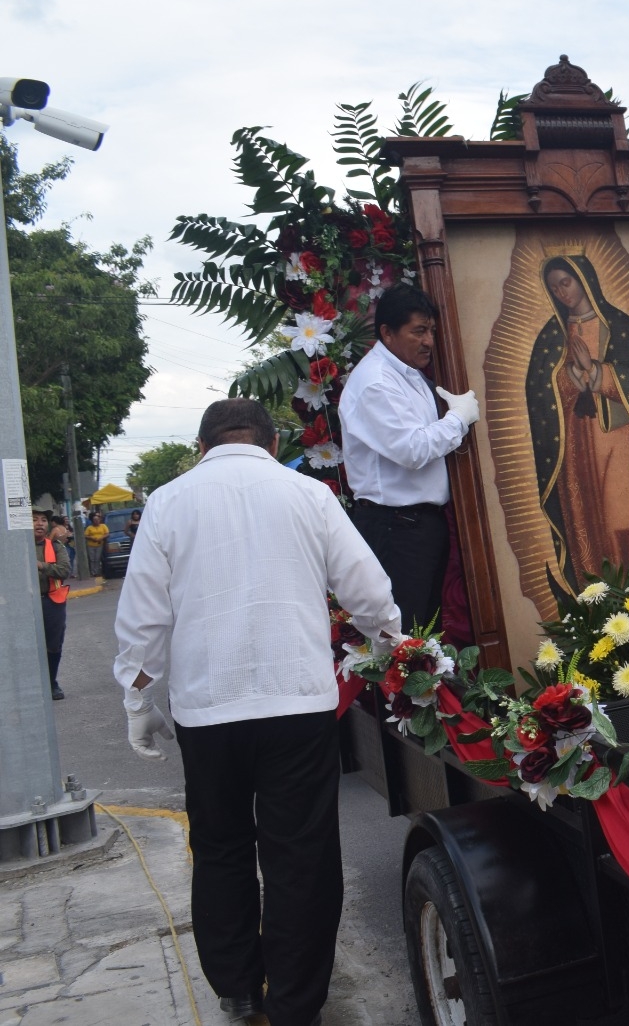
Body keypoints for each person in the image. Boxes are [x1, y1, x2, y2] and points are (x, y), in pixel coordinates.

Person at [112, 398, 402, 1026]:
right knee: (302, 854)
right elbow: (368, 590)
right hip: (295, 702)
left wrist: (138, 698)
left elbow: (143, 619)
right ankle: (297, 1004)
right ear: (273, 445)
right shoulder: (309, 495)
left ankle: (239, 988)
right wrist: (389, 643)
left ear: (200, 447)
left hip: (206, 707)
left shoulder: (167, 502)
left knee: (219, 846)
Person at [525, 252, 629, 592]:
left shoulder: (619, 326)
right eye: (554, 287)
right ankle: (603, 604)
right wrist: (570, 377)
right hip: (574, 449)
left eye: (566, 282)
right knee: (589, 523)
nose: (562, 292)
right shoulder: (551, 336)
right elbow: (539, 392)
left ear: (584, 280)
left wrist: (598, 372)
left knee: (626, 518)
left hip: (618, 441)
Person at [340, 284, 479, 633]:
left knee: (425, 634)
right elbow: (411, 450)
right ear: (387, 332)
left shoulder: (410, 373)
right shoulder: (376, 382)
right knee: (405, 640)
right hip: (395, 527)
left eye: (431, 330)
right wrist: (458, 419)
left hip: (419, 525)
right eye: (418, 331)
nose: (429, 341)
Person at [33, 508, 69, 700]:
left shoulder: (55, 546)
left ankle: (51, 682)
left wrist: (41, 565)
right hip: (26, 603)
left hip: (51, 601)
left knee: (53, 644)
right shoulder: (15, 546)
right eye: (35, 520)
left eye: (43, 520)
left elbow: (64, 570)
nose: (40, 523)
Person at [85, 510, 108, 578]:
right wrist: (92, 537)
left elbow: (107, 533)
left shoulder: (103, 526)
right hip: (91, 545)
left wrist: (101, 538)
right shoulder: (89, 528)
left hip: (100, 545)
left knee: (97, 559)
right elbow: (85, 535)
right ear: (92, 521)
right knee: (92, 559)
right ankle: (93, 572)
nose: (96, 521)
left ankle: (97, 572)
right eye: (94, 520)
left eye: (97, 519)